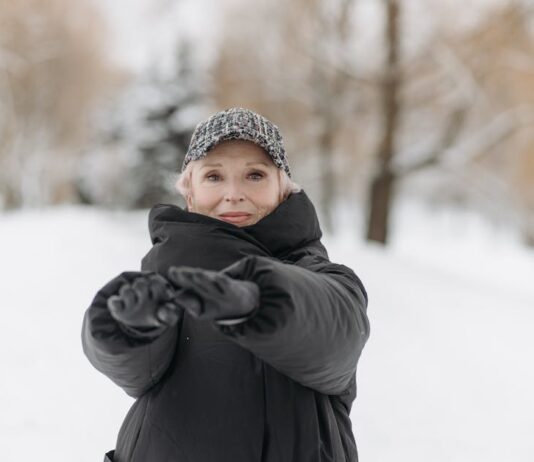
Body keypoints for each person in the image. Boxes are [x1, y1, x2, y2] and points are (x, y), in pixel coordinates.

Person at [81, 107, 370, 462]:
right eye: (214, 177)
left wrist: (261, 300)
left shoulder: (324, 277)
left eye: (254, 175)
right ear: (190, 193)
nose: (233, 193)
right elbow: (135, 372)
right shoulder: (161, 280)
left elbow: (335, 340)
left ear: (284, 188)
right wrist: (125, 328)